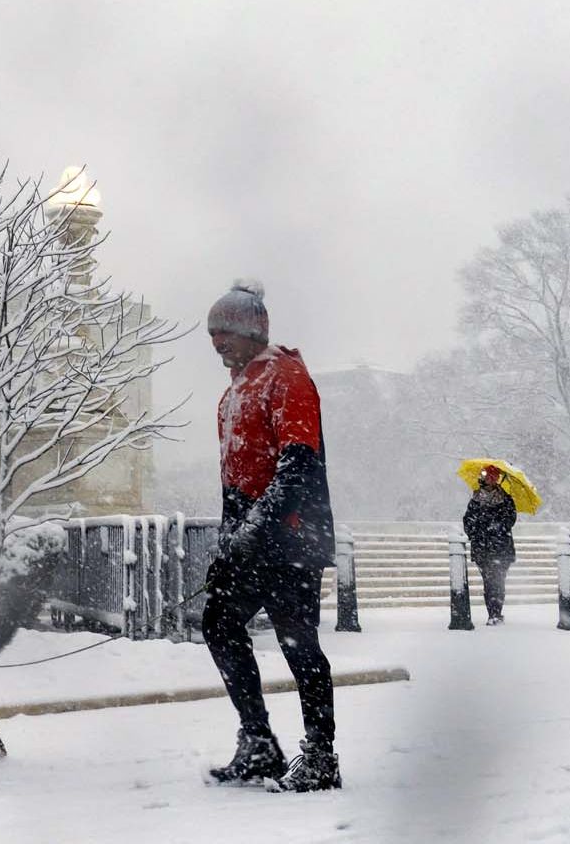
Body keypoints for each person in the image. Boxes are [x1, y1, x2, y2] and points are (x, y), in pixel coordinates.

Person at [201, 279, 340, 793]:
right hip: (249, 535)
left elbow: (298, 465)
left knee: (299, 644)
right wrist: (229, 540)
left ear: (253, 331)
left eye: (225, 334)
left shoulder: (288, 377)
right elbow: (233, 478)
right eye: (212, 335)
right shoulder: (233, 391)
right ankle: (258, 743)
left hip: (291, 536)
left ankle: (321, 755)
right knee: (217, 623)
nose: (217, 344)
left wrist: (257, 528)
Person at [463, 465, 518, 625]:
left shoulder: (506, 499)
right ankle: (492, 613)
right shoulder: (475, 499)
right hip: (482, 548)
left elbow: (510, 520)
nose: (491, 479)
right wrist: (478, 530)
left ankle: (496, 612)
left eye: (494, 476)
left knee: (499, 580)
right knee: (488, 582)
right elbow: (468, 522)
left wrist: (496, 526)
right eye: (489, 476)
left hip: (501, 547)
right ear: (484, 477)